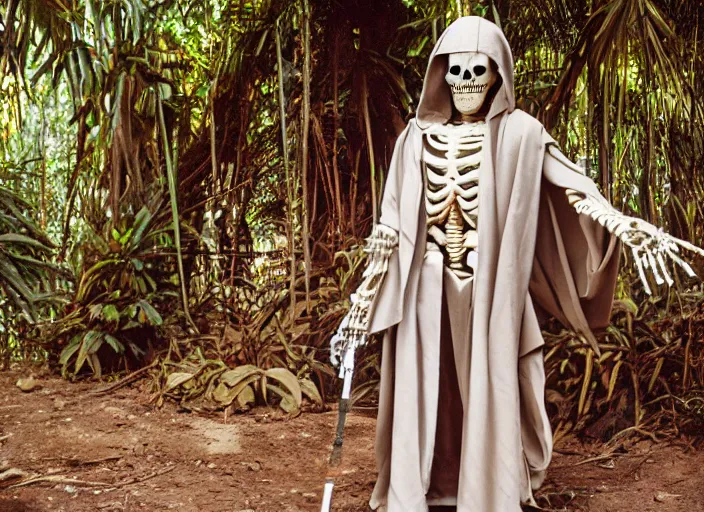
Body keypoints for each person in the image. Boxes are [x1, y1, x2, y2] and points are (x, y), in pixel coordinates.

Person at [330, 15, 701, 512]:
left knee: (496, 380)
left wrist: (618, 221)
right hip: (427, 283)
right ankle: (426, 485)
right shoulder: (414, 139)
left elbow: (571, 185)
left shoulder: (521, 134)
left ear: (497, 74)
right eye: (455, 71)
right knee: (427, 388)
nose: (464, 84)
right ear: (440, 73)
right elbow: (392, 224)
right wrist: (365, 297)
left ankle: (492, 487)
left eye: (476, 71)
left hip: (489, 285)